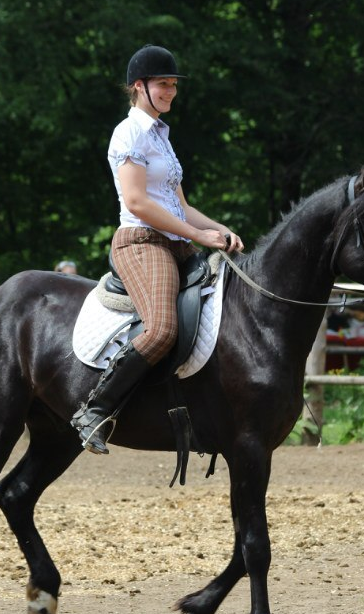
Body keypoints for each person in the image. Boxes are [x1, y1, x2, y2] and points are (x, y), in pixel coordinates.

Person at [71, 44, 244, 455]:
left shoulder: (162, 138)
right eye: (162, 84)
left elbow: (180, 205)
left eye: (172, 85)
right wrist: (195, 235)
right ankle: (95, 410)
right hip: (142, 242)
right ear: (138, 87)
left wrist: (220, 230)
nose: (170, 91)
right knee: (162, 328)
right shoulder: (128, 132)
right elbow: (138, 203)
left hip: (177, 242)